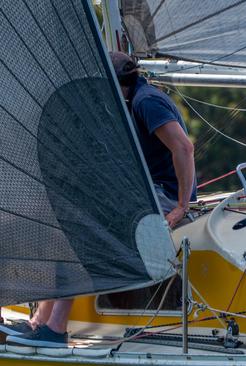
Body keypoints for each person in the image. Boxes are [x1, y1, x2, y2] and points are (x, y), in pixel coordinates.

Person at [0, 52, 197, 347]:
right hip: (147, 191)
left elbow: (184, 148)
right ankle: (40, 321)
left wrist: (182, 205)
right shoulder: (132, 101)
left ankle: (55, 329)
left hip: (163, 194)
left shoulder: (147, 102)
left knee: (82, 227)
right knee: (61, 218)